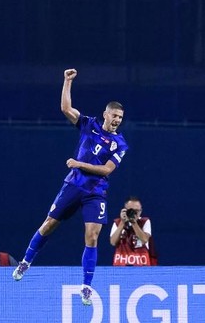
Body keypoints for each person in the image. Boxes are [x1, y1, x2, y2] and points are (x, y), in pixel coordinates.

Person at [12, 68, 129, 307]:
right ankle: (26, 261)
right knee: (49, 224)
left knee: (93, 236)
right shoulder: (89, 125)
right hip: (74, 186)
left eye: (120, 117)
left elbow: (107, 170)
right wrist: (67, 82)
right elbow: (66, 109)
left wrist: (78, 163)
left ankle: (86, 286)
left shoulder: (120, 143)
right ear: (105, 114)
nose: (117, 120)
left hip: (95, 192)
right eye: (114, 115)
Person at [110, 196, 157, 266]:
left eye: (137, 211)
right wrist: (122, 223)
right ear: (125, 210)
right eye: (131, 210)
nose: (134, 213)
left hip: (141, 264)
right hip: (121, 264)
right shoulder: (117, 222)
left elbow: (144, 240)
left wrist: (134, 223)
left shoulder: (145, 221)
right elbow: (113, 242)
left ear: (141, 211)